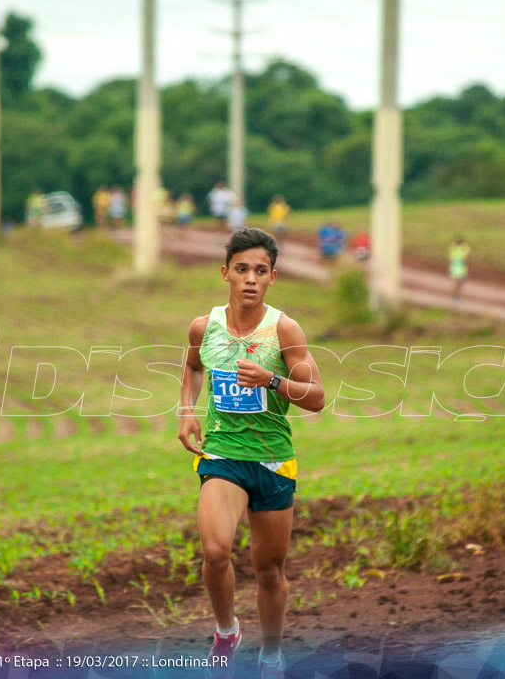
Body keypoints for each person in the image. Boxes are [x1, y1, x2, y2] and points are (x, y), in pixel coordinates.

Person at [177, 228, 325, 679]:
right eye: (241, 269)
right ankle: (226, 632)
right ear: (225, 273)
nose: (250, 279)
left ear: (273, 278)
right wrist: (186, 410)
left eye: (260, 271)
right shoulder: (205, 326)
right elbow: (192, 364)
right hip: (223, 456)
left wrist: (272, 380)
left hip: (273, 460)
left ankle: (272, 656)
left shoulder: (283, 329)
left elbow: (317, 397)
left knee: (268, 570)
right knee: (216, 549)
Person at [448, 236, 471, 304]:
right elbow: (468, 257)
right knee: (457, 283)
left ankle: (456, 297)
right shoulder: (463, 247)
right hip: (458, 267)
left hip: (458, 267)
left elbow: (467, 257)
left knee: (459, 283)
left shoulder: (454, 247)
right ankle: (455, 297)